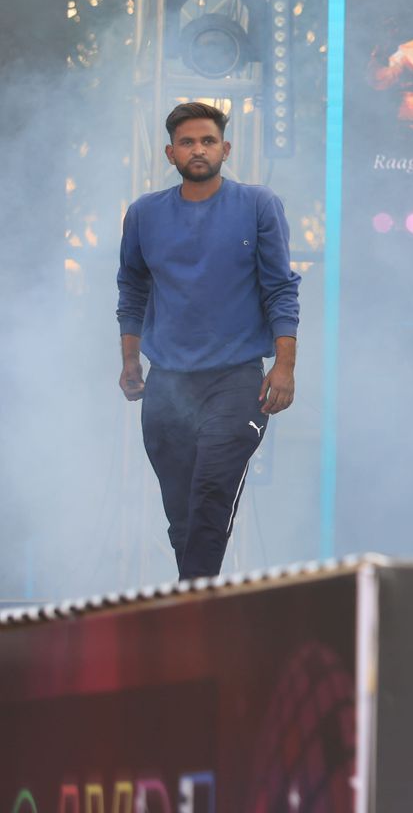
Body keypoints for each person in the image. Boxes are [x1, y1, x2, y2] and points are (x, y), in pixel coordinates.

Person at [116, 102, 300, 579]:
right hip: (167, 382)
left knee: (211, 495)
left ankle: (192, 607)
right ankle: (198, 602)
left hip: (236, 380)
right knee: (181, 516)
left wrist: (284, 366)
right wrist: (130, 360)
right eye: (187, 142)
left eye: (207, 141)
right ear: (170, 153)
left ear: (225, 149)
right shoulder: (144, 214)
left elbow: (280, 288)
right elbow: (132, 290)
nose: (198, 149)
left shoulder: (258, 204)